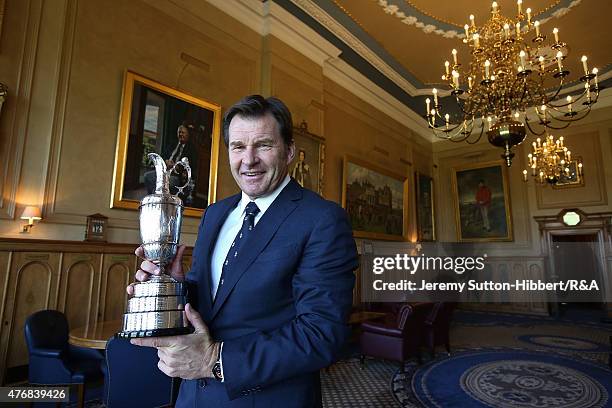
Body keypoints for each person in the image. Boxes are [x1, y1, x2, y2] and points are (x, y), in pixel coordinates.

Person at [128, 95, 358, 407]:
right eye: (238, 147)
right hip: (194, 395)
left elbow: (322, 333)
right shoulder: (215, 214)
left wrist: (216, 359)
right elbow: (211, 303)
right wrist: (176, 285)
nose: (248, 160)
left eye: (263, 145)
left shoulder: (321, 219)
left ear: (288, 151)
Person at [144, 123, 198, 199]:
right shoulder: (172, 144)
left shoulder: (191, 149)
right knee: (147, 177)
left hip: (176, 176)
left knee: (166, 183)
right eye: (179, 132)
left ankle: (156, 200)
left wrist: (175, 166)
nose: (181, 134)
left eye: (183, 132)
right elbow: (162, 156)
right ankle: (153, 198)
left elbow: (191, 166)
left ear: (188, 134)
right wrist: (166, 161)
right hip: (164, 171)